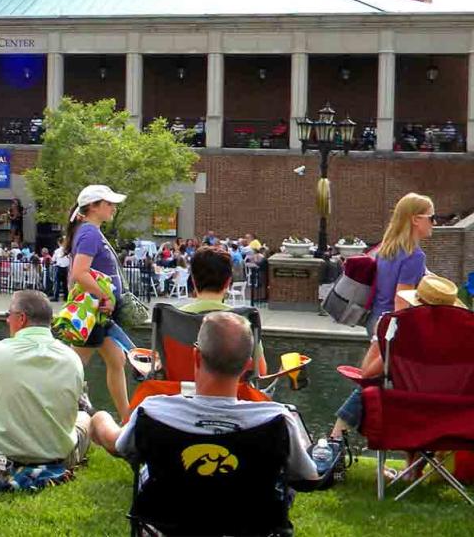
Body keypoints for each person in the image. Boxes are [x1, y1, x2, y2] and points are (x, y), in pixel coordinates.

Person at [89, 312, 318, 483]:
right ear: (248, 366)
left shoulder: (153, 411)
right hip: (250, 524)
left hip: (169, 522)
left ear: (196, 357)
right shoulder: (277, 420)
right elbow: (308, 476)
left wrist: (99, 420)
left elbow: (119, 446)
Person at [326, 193, 437, 446]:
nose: (434, 223)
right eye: (431, 217)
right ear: (415, 219)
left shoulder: (386, 249)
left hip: (375, 322)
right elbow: (402, 301)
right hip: (392, 327)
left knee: (382, 385)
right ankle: (338, 435)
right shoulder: (414, 255)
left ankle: (385, 446)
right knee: (380, 385)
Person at [0, 290, 92, 469]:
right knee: (85, 416)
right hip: (60, 458)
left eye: (9, 315)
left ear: (21, 319)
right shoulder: (72, 357)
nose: (7, 320)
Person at [68, 184, 136, 420]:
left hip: (99, 312)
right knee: (74, 365)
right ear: (93, 207)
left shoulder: (90, 231)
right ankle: (55, 408)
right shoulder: (89, 233)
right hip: (95, 311)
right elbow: (80, 272)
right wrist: (105, 295)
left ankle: (126, 417)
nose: (113, 208)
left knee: (116, 360)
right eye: (108, 203)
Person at [179, 246, 268, 374]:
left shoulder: (174, 316)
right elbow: (261, 370)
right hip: (233, 392)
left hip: (182, 390)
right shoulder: (243, 319)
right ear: (228, 282)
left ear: (193, 280)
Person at [51, 237, 71, 302]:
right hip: (66, 268)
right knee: (65, 283)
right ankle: (66, 296)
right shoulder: (68, 251)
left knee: (57, 283)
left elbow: (53, 260)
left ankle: (56, 297)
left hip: (59, 267)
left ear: (59, 243)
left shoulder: (57, 251)